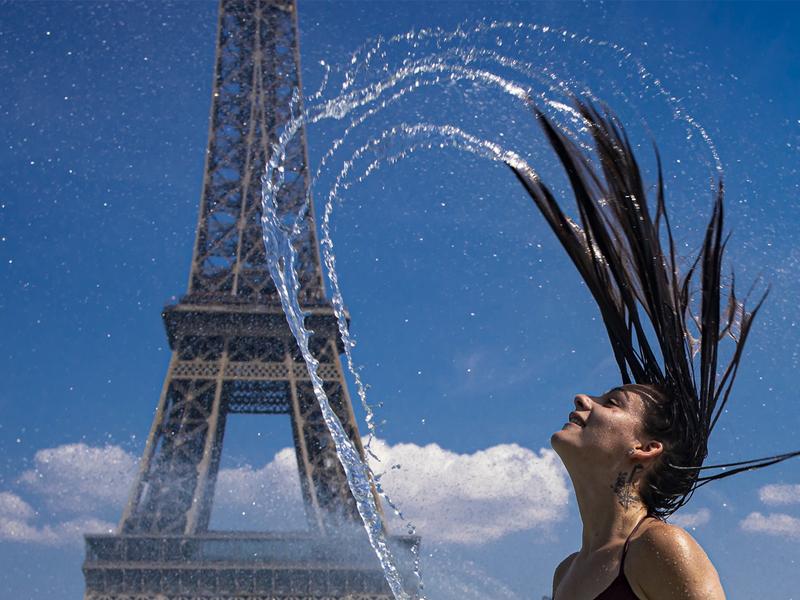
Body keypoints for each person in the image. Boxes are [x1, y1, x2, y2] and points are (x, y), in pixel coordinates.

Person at [508, 101, 799, 599]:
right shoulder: (566, 572)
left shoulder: (659, 548)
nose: (583, 399)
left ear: (644, 449)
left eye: (611, 402)